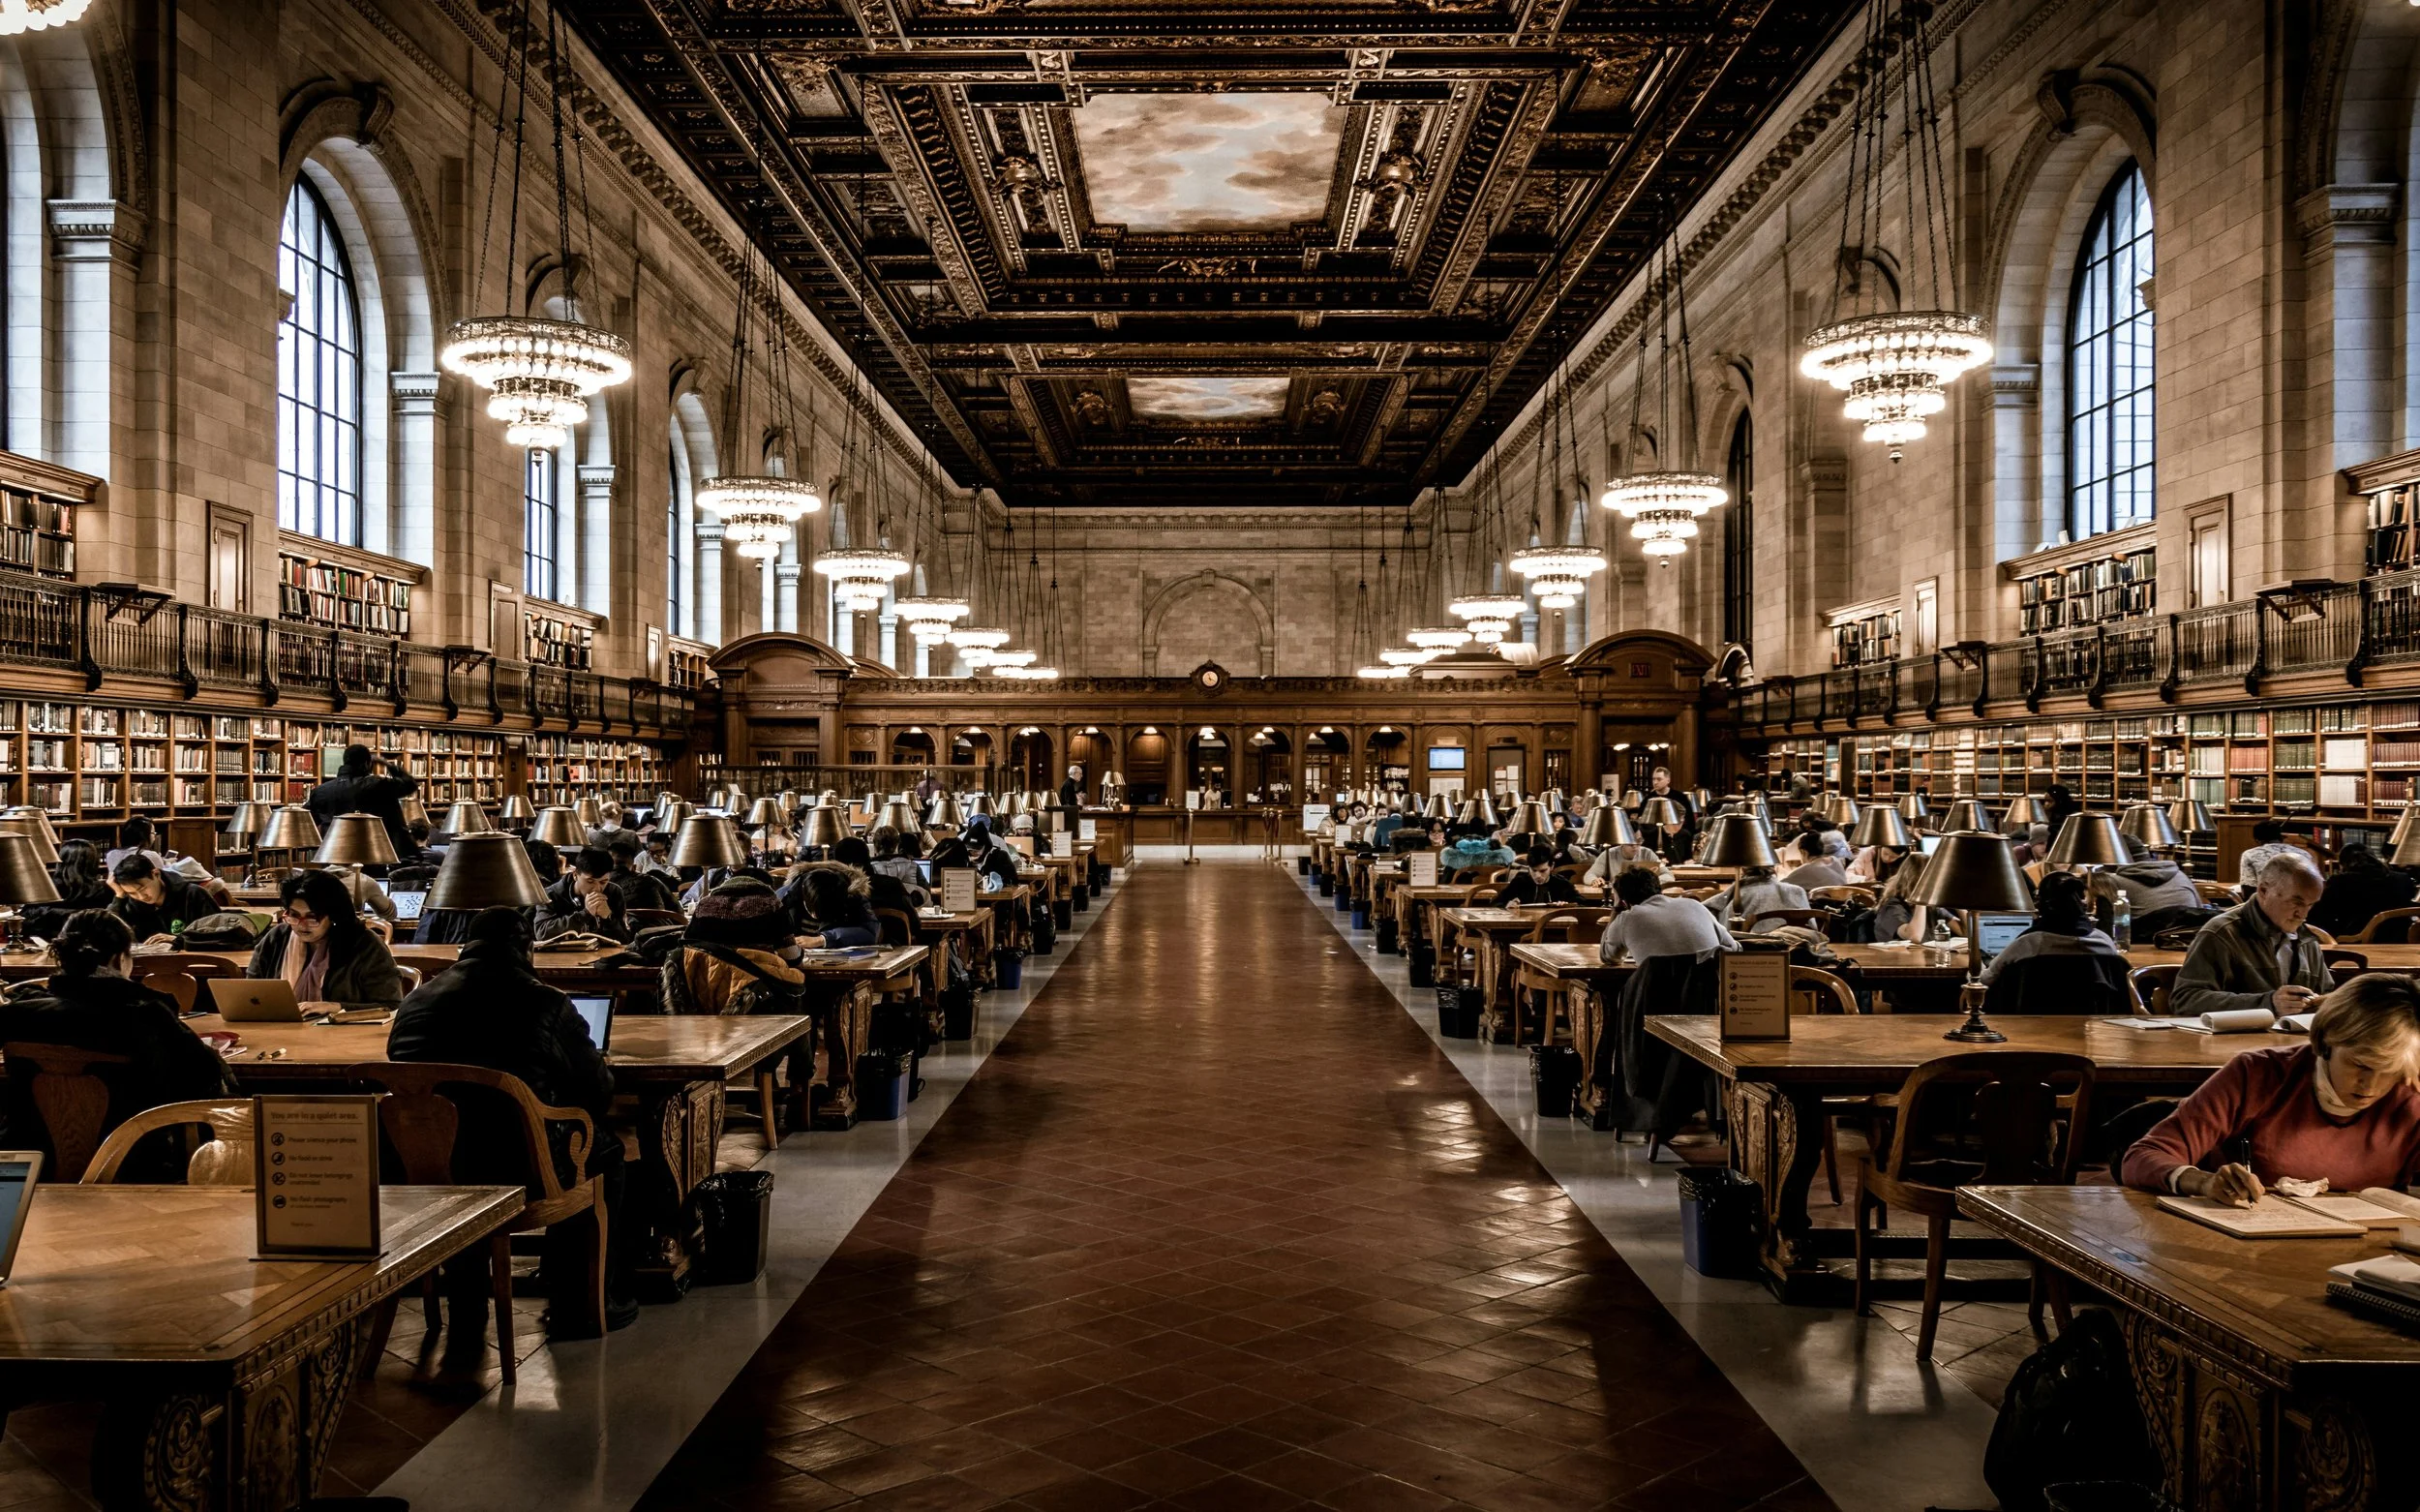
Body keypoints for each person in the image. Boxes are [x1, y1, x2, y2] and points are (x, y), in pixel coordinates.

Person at [386, 906, 637, 1345]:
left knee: (468, 1146)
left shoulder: (415, 1001)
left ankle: (467, 1302)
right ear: (526, 948)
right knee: (605, 1154)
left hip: (431, 1167)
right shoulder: (546, 1001)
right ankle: (579, 1300)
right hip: (522, 1165)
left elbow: (401, 1071)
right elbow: (597, 1092)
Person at [2122, 973, 2420, 1199]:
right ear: (2327, 1041)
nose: (2371, 1085)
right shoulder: (2257, 1074)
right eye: (2360, 1065)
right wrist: (2203, 1181)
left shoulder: (2411, 1094)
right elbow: (2142, 1157)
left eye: (2390, 1071)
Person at [0, 910, 233, 1172]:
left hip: (32, 1162)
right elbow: (203, 1081)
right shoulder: (147, 1014)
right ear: (119, 958)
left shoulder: (17, 1013)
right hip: (134, 1161)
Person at [2171, 850, 2334, 1022]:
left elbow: (2327, 992)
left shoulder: (2306, 938)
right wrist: (2268, 1002)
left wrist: (2326, 1002)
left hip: (2292, 1040)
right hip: (2234, 1043)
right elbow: (2185, 999)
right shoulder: (2222, 933)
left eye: (2311, 905)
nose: (2303, 914)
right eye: (2296, 902)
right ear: (2263, 891)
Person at [245, 868, 405, 1012]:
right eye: (294, 915)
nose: (301, 925)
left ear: (334, 915)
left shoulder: (364, 944)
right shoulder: (277, 938)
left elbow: (391, 1005)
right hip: (281, 1033)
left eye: (312, 917)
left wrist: (336, 1007)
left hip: (345, 1038)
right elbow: (251, 992)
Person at [1979, 871, 2123, 984]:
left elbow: (1987, 979)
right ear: (2082, 905)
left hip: (2031, 1017)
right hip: (2093, 1018)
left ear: (2041, 906)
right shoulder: (2104, 942)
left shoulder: (2029, 943)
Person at [305, 742, 421, 861]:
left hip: (334, 857)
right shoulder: (379, 785)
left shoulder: (321, 791)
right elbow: (410, 785)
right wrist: (387, 764)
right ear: (366, 764)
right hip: (374, 856)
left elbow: (306, 820)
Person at [1598, 865, 1738, 962]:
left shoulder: (1627, 918)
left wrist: (1616, 908)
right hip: (1711, 997)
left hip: (1661, 1000)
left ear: (1624, 901)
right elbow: (1734, 947)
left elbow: (1609, 958)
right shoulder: (1694, 905)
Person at [107, 854, 225, 944]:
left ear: (156, 874)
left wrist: (178, 940)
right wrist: (119, 897)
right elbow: (108, 934)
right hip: (147, 966)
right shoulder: (131, 901)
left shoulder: (193, 894)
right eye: (132, 893)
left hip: (194, 965)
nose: (141, 897)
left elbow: (220, 934)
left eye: (143, 888)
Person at [2311, 843, 2419, 941]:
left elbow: (2317, 917)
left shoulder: (2340, 881)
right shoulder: (2403, 879)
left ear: (2343, 864)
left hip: (2357, 942)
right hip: (2401, 940)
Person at [536, 847, 631, 944]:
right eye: (590, 881)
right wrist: (585, 914)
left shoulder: (614, 891)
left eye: (603, 882)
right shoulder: (552, 894)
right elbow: (542, 933)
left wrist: (608, 917)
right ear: (575, 875)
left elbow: (625, 940)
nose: (597, 888)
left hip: (604, 955)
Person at [26, 839, 113, 940]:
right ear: (92, 863)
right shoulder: (103, 890)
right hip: (89, 941)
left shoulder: (46, 887)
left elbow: (28, 917)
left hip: (46, 940)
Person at [784, 863, 880, 947]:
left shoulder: (852, 895)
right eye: (812, 908)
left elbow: (870, 933)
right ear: (803, 892)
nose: (815, 916)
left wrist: (824, 939)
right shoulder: (786, 898)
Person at [1704, 864, 1808, 932]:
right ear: (1774, 868)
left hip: (1748, 958)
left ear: (1743, 870)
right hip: (1798, 957)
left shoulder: (1738, 897)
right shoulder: (1797, 891)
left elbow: (1726, 935)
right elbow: (1813, 928)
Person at [2102, 848, 2201, 917]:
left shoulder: (2115, 881)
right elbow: (2199, 908)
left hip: (2142, 941)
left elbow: (2107, 920)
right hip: (2188, 938)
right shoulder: (2180, 874)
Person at [605, 834, 681, 915]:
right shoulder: (651, 880)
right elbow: (678, 911)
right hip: (658, 926)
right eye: (651, 852)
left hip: (623, 926)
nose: (655, 856)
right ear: (634, 867)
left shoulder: (600, 885)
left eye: (659, 852)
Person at [1869, 852, 1932, 944]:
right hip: (1900, 957)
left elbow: (1961, 931)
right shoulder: (1893, 906)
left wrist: (1954, 896)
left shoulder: (1932, 905)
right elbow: (1914, 936)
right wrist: (1921, 895)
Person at [1494, 848, 1581, 907]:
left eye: (1543, 871)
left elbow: (1582, 904)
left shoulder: (1562, 884)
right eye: (1534, 870)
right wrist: (1506, 905)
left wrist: (1568, 906)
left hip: (1554, 929)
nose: (1538, 876)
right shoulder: (1519, 882)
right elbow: (1495, 903)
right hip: (1524, 928)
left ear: (1552, 866)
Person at [2234, 819, 2302, 892]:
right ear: (2281, 837)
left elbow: (2248, 887)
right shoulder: (2303, 854)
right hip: (2300, 901)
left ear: (2257, 840)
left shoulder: (2249, 855)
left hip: (2267, 901)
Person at [1583, 837, 1673, 889]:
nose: (1635, 846)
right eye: (1630, 843)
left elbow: (1668, 876)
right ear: (1622, 842)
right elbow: (1589, 875)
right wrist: (1594, 880)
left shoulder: (1647, 853)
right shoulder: (1609, 854)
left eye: (1638, 842)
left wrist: (1651, 882)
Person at [1781, 830, 1852, 891]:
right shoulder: (1836, 861)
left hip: (1825, 904)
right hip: (1844, 901)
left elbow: (1781, 885)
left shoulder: (1806, 869)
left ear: (1804, 852)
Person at [101, 816, 167, 875]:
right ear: (143, 836)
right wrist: (167, 864)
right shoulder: (150, 855)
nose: (154, 836)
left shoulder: (111, 854)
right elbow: (162, 879)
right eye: (153, 833)